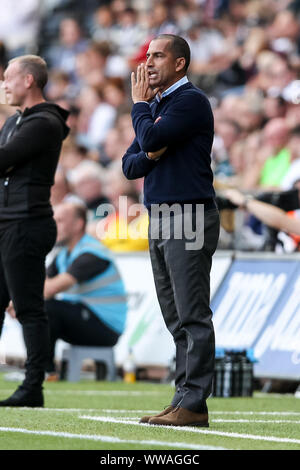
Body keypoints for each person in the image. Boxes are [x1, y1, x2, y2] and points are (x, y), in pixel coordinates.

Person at [122, 34, 220, 427]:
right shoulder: (160, 106)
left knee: (192, 314)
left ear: (180, 64)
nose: (148, 62)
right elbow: (130, 165)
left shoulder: (188, 101)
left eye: (158, 55)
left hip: (189, 216)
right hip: (161, 216)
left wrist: (141, 111)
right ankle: (183, 397)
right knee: (175, 316)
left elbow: (149, 139)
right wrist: (149, 142)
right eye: (147, 55)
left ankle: (194, 403)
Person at [0, 55, 69, 407]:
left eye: (8, 78)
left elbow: (3, 159)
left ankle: (33, 387)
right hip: (7, 222)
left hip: (27, 223)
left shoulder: (44, 122)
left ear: (29, 80)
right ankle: (30, 385)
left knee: (28, 307)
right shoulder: (16, 121)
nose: (4, 85)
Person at [43, 202, 127, 377]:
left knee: (44, 309)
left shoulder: (92, 253)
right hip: (86, 318)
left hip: (106, 328)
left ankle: (44, 371)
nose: (53, 225)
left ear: (78, 224)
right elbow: (38, 285)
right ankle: (39, 369)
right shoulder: (63, 254)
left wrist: (19, 302)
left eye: (59, 221)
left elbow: (50, 289)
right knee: (38, 309)